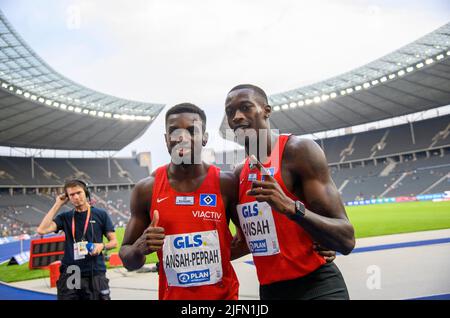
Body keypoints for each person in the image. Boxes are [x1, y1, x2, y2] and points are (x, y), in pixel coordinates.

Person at [119, 103, 336, 300]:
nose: (182, 137)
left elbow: (256, 235)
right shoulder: (146, 190)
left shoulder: (227, 183)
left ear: (204, 138)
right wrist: (139, 249)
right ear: (166, 138)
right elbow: (128, 258)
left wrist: (319, 241)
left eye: (191, 131)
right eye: (175, 131)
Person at [224, 84, 355, 300]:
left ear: (266, 111)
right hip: (270, 291)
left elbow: (346, 238)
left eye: (246, 107)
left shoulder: (298, 151)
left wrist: (291, 208)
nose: (237, 116)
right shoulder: (239, 174)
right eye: (230, 112)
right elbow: (248, 243)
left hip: (317, 286)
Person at [37, 179, 117, 300]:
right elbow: (41, 230)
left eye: (78, 192)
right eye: (71, 195)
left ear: (86, 193)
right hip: (71, 272)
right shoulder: (65, 217)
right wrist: (58, 204)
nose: (75, 197)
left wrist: (102, 246)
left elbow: (114, 242)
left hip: (95, 271)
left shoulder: (101, 214)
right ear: (68, 197)